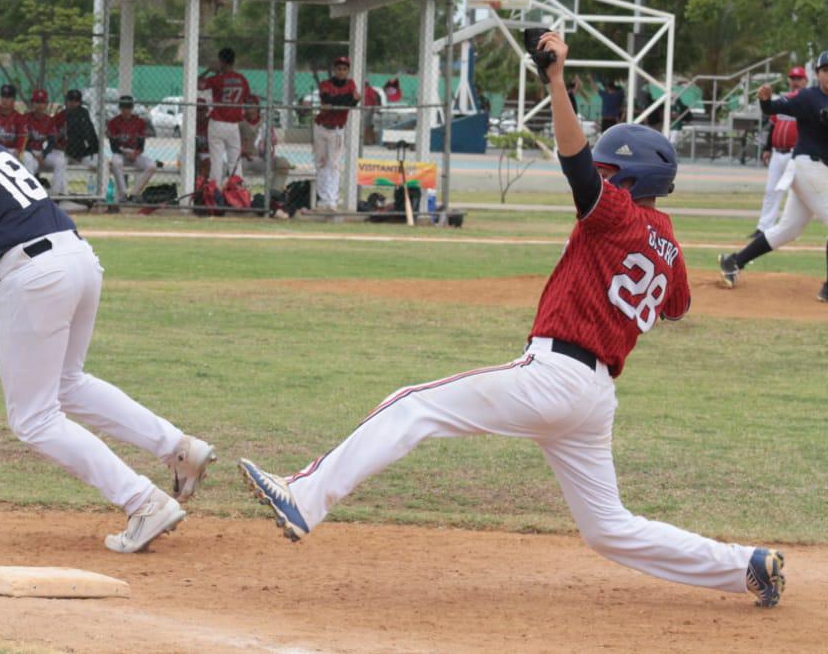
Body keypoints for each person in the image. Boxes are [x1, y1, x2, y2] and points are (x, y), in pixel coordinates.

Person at [239, 31, 787, 609]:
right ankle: (745, 566)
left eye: (611, 172)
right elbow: (677, 307)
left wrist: (556, 81)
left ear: (629, 183)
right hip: (594, 397)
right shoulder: (668, 243)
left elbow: (575, 161)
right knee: (608, 528)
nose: (601, 178)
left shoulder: (616, 214)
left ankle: (304, 496)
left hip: (555, 375)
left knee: (412, 405)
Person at [0, 81, 217, 552]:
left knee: (33, 419)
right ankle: (179, 448)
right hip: (78, 257)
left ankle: (143, 501)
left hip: (35, 276)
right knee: (68, 383)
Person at [719, 51, 828, 302]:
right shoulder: (809, 97)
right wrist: (765, 100)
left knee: (788, 229)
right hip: (806, 165)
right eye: (826, 70)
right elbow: (776, 107)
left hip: (820, 171)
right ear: (818, 73)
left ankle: (733, 261)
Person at [753, 67, 805, 236]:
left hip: (795, 153)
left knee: (797, 194)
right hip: (777, 152)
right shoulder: (783, 101)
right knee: (771, 190)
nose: (795, 82)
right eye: (793, 78)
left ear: (805, 81)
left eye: (799, 78)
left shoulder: (807, 102)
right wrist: (767, 148)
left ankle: (787, 229)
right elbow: (773, 125)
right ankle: (763, 228)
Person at [312, 56, 360, 210]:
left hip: (337, 129)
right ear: (334, 69)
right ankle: (323, 200)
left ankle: (332, 200)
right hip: (321, 127)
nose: (341, 71)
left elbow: (349, 104)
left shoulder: (351, 84)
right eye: (338, 68)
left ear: (348, 71)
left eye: (344, 69)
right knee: (321, 163)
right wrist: (349, 99)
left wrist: (346, 101)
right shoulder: (325, 84)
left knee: (333, 165)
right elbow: (327, 99)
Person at [198, 48, 250, 185]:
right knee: (234, 160)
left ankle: (214, 189)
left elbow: (198, 84)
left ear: (221, 61)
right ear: (233, 61)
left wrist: (209, 70)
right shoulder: (241, 79)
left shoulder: (217, 79)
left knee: (216, 160)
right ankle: (237, 188)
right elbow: (246, 97)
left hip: (217, 122)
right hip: (233, 125)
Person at [50, 88, 101, 197]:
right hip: (64, 154)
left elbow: (91, 137)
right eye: (71, 100)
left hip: (80, 155)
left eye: (76, 101)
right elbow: (52, 140)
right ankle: (60, 195)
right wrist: (61, 134)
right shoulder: (59, 117)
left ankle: (99, 196)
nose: (73, 103)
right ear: (66, 101)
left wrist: (93, 152)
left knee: (101, 162)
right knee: (61, 161)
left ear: (80, 102)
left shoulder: (84, 115)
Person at [107, 95, 156, 202]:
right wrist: (125, 152)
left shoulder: (139, 122)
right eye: (124, 107)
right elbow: (113, 147)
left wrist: (136, 153)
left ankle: (134, 194)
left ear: (132, 108)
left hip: (134, 154)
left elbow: (141, 146)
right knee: (116, 162)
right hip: (120, 153)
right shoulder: (113, 122)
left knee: (152, 166)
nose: (126, 110)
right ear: (120, 108)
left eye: (128, 107)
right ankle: (123, 194)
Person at [239, 95, 291, 192]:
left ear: (258, 107)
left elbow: (273, 142)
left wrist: (270, 144)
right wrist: (241, 152)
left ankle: (275, 193)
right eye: (247, 105)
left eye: (252, 105)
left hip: (261, 159)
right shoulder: (239, 122)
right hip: (243, 160)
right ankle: (236, 194)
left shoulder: (265, 123)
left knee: (283, 163)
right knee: (229, 165)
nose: (249, 108)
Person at [21, 89, 61, 180]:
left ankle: (58, 188)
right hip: (28, 151)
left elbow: (51, 142)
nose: (39, 105)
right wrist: (34, 154)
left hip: (42, 152)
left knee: (60, 161)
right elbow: (22, 141)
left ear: (46, 104)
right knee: (28, 159)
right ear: (32, 103)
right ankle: (30, 186)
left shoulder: (49, 121)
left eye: (42, 102)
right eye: (37, 102)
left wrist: (44, 154)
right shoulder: (25, 118)